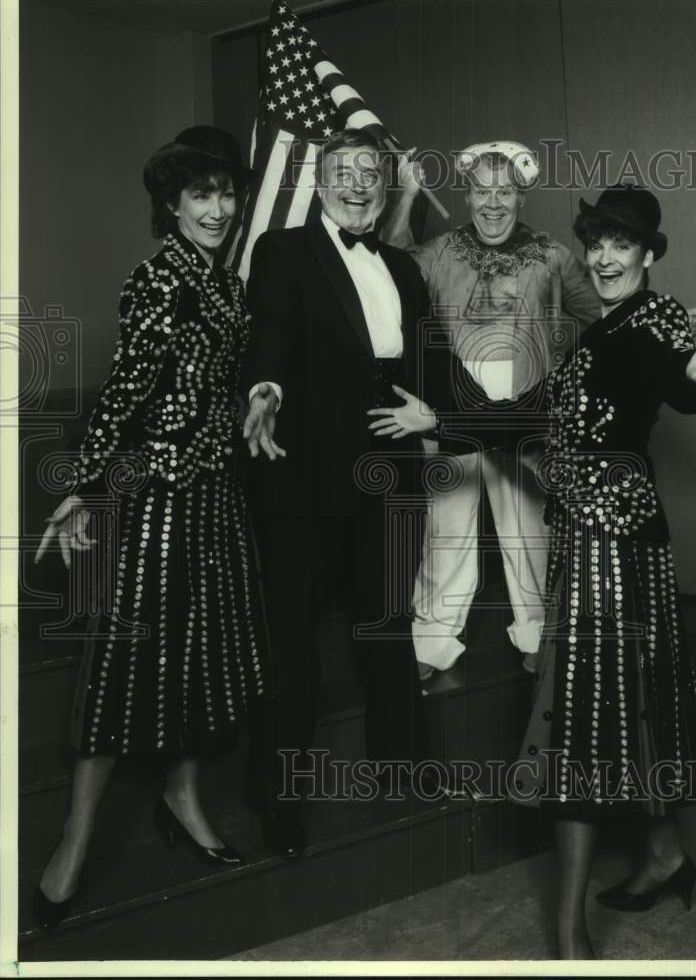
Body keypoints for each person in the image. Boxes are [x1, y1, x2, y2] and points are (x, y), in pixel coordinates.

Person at [370, 184, 696, 959]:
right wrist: (439, 419)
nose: (605, 258)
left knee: (582, 716)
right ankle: (666, 856)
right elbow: (533, 421)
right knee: (626, 703)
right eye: (597, 243)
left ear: (649, 254)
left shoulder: (658, 318)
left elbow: (680, 384)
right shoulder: (591, 332)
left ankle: (569, 933)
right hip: (587, 537)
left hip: (620, 544)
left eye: (622, 244)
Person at [32, 126, 267, 929]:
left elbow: (214, 385)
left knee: (205, 658)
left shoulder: (231, 288)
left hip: (217, 497)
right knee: (123, 668)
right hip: (158, 496)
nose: (217, 207)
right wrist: (83, 487)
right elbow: (125, 388)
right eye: (200, 194)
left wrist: (255, 401)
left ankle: (181, 796)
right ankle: (76, 833)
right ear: (171, 204)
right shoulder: (158, 279)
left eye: (226, 193)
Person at [241, 129, 449, 859]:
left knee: (389, 623)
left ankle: (404, 764)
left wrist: (454, 417)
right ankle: (280, 800)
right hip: (302, 477)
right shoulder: (283, 251)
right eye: (343, 171)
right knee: (293, 641)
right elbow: (267, 338)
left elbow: (434, 364)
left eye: (371, 172)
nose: (358, 183)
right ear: (320, 180)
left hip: (391, 475)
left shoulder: (403, 265)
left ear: (386, 186)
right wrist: (263, 388)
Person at [383, 140, 603, 681]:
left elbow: (602, 313)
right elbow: (388, 267)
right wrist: (408, 194)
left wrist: (654, 323)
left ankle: (538, 636)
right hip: (451, 407)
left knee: (531, 531)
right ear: (467, 194)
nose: (493, 203)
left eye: (505, 191)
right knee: (447, 530)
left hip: (525, 411)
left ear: (522, 196)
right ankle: (430, 643)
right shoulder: (438, 251)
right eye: (483, 191)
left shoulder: (553, 254)